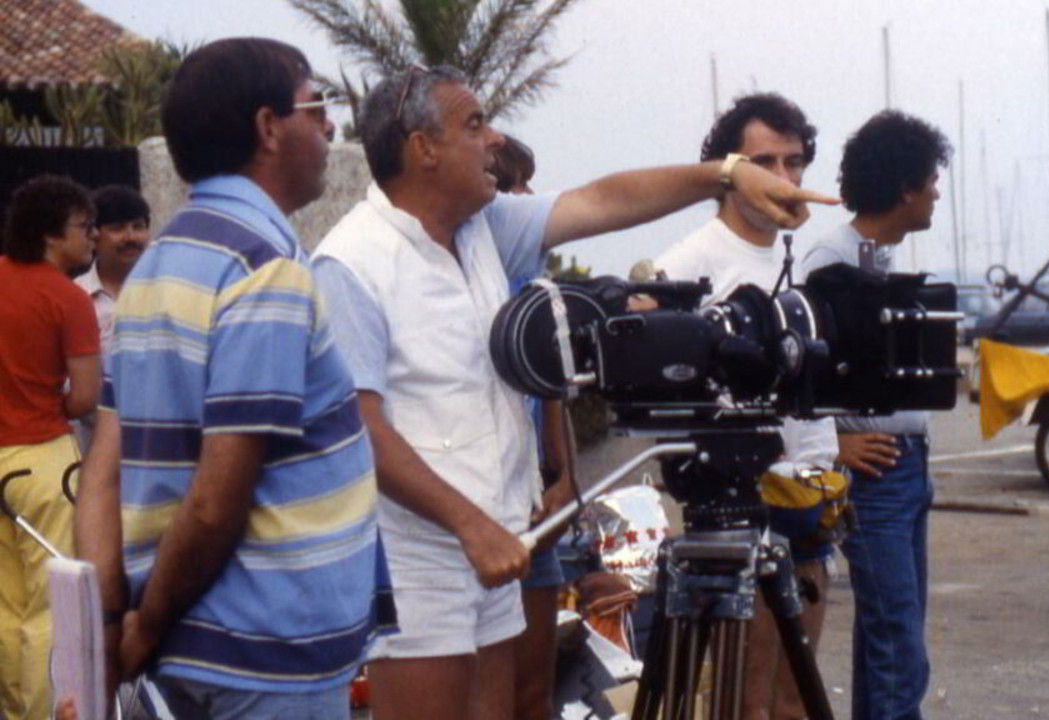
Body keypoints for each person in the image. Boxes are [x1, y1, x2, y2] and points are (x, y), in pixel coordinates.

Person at [312, 64, 834, 719]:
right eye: (474, 124)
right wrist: (471, 527)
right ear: (424, 148)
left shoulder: (484, 228)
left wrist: (725, 175)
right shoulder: (353, 263)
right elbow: (360, 428)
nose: (494, 139)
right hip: (421, 559)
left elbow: (602, 200)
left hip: (499, 542)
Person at [73, 37, 395, 718]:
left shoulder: (156, 268)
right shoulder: (262, 268)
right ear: (268, 127)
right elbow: (218, 498)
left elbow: (103, 469)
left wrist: (111, 623)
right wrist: (146, 627)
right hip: (269, 645)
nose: (329, 126)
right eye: (316, 106)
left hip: (193, 645)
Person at [653, 92, 840, 719]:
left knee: (796, 701)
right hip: (739, 508)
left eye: (794, 163)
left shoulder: (800, 257)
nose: (783, 179)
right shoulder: (688, 263)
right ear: (729, 171)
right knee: (745, 705)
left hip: (809, 496)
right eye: (765, 164)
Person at [800, 109, 952, 720]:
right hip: (876, 474)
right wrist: (835, 444)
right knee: (898, 641)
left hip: (907, 467)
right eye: (931, 180)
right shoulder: (828, 261)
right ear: (905, 186)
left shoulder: (878, 257)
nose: (936, 192)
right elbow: (802, 366)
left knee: (888, 636)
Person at [0, 175, 100, 720]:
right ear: (50, 234)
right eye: (83, 227)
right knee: (49, 606)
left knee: (4, 603)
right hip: (44, 461)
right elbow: (85, 396)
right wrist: (43, 399)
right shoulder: (69, 299)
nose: (92, 236)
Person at [492, 134, 576, 720]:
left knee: (534, 694)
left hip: (535, 511)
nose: (525, 196)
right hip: (482, 513)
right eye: (511, 185)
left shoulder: (535, 288)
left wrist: (564, 478)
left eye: (527, 183)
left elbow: (551, 391)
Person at [73, 185, 151, 448]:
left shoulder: (166, 293)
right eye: (118, 228)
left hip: (156, 444)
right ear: (94, 235)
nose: (130, 237)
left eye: (138, 226)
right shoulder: (75, 298)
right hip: (92, 446)